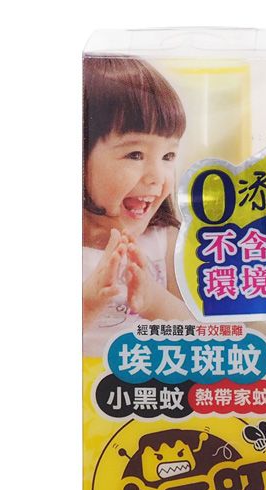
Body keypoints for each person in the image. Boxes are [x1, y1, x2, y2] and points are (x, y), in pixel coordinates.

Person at [83, 56, 191, 356]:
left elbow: (205, 337)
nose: (157, 177)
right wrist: (87, 305)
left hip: (158, 381)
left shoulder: (165, 241)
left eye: (168, 156)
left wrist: (156, 303)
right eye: (135, 155)